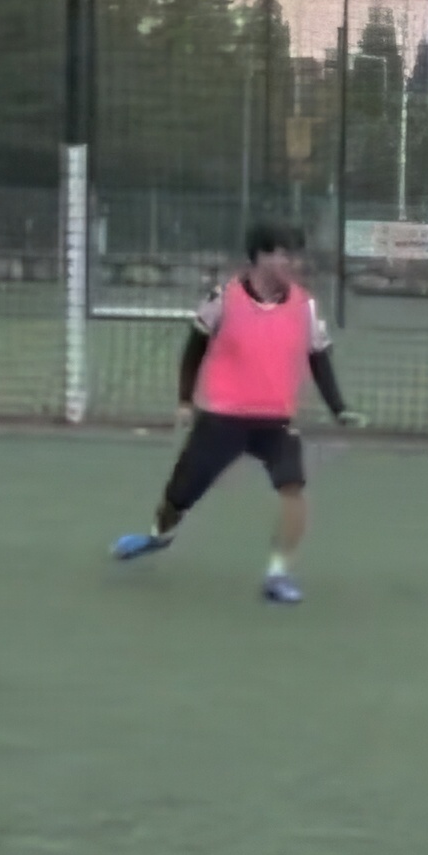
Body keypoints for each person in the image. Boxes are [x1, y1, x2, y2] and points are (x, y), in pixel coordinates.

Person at [110, 223, 361, 604]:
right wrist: (185, 400)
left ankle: (278, 574)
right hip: (222, 418)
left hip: (276, 421)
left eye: (296, 254)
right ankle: (159, 535)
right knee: (178, 496)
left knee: (293, 489)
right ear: (260, 256)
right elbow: (194, 349)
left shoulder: (304, 305)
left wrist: (339, 408)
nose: (294, 263)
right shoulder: (223, 298)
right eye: (284, 254)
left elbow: (319, 357)